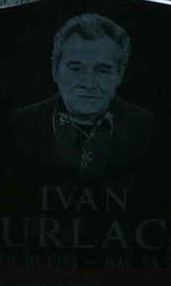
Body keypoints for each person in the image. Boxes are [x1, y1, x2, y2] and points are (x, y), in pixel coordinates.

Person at [10, 13, 152, 175]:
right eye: (76, 69)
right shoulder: (23, 124)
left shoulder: (144, 126)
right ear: (55, 69)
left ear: (120, 72)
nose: (89, 84)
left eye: (102, 70)